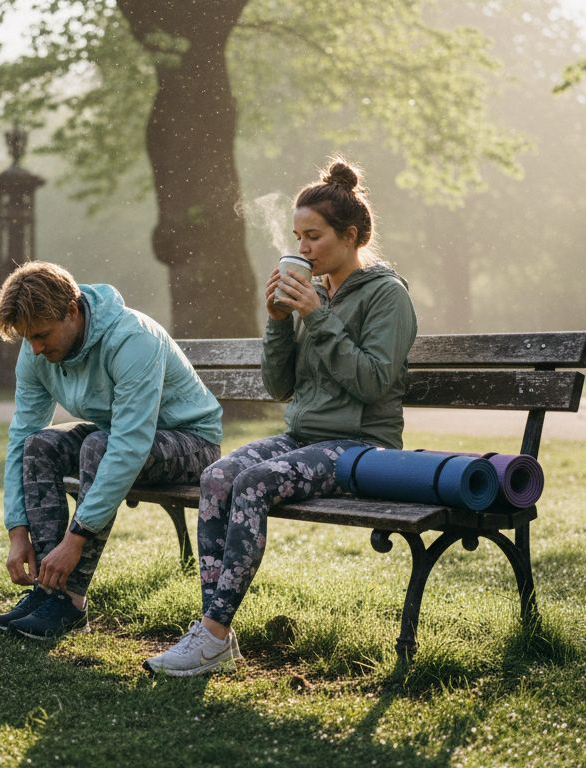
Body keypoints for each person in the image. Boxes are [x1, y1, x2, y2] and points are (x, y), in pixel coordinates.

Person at [143, 159, 417, 676]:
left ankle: (213, 634)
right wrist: (277, 323)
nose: (303, 248)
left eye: (313, 236)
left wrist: (317, 316)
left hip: (362, 447)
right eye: (298, 236)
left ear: (351, 236)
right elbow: (280, 387)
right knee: (218, 476)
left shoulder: (387, 296)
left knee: (253, 485)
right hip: (304, 436)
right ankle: (213, 631)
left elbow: (373, 381)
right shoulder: (320, 293)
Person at [0, 262, 223, 640]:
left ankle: (71, 600)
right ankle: (48, 591)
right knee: (40, 445)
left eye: (42, 335)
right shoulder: (37, 350)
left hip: (191, 443)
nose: (35, 348)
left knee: (100, 445)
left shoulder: (132, 338)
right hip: (120, 437)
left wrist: (75, 539)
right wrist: (17, 531)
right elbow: (22, 435)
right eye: (27, 338)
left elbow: (129, 444)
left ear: (72, 311)